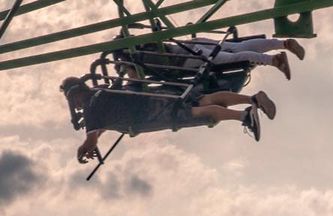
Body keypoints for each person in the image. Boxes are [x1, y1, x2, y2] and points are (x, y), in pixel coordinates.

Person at [60, 77, 276, 161]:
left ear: (75, 94)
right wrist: (96, 133)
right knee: (203, 100)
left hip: (150, 114)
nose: (75, 105)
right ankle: (254, 99)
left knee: (196, 113)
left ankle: (244, 116)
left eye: (73, 100)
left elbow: (91, 140)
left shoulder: (90, 109)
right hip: (159, 94)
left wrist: (82, 150)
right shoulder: (100, 91)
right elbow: (102, 125)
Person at [162, 36, 305, 79]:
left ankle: (274, 60)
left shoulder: (142, 56)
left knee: (233, 59)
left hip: (186, 58)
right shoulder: (145, 45)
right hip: (191, 45)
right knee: (238, 47)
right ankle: (284, 44)